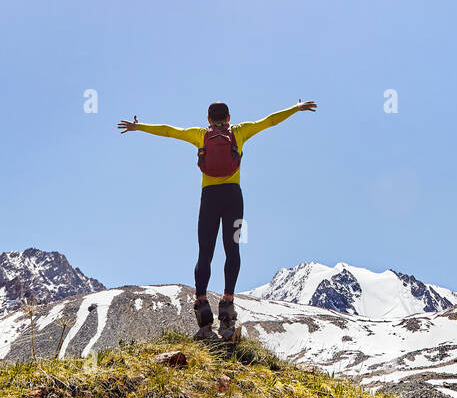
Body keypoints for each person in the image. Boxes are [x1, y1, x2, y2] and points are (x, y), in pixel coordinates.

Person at [118, 99, 317, 338]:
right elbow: (270, 121)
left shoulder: (199, 135)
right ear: (229, 117)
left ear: (209, 119)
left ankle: (202, 306)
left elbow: (170, 131)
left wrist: (140, 127)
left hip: (209, 199)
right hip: (234, 198)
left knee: (205, 252)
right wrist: (295, 109)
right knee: (232, 250)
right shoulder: (240, 132)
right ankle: (227, 304)